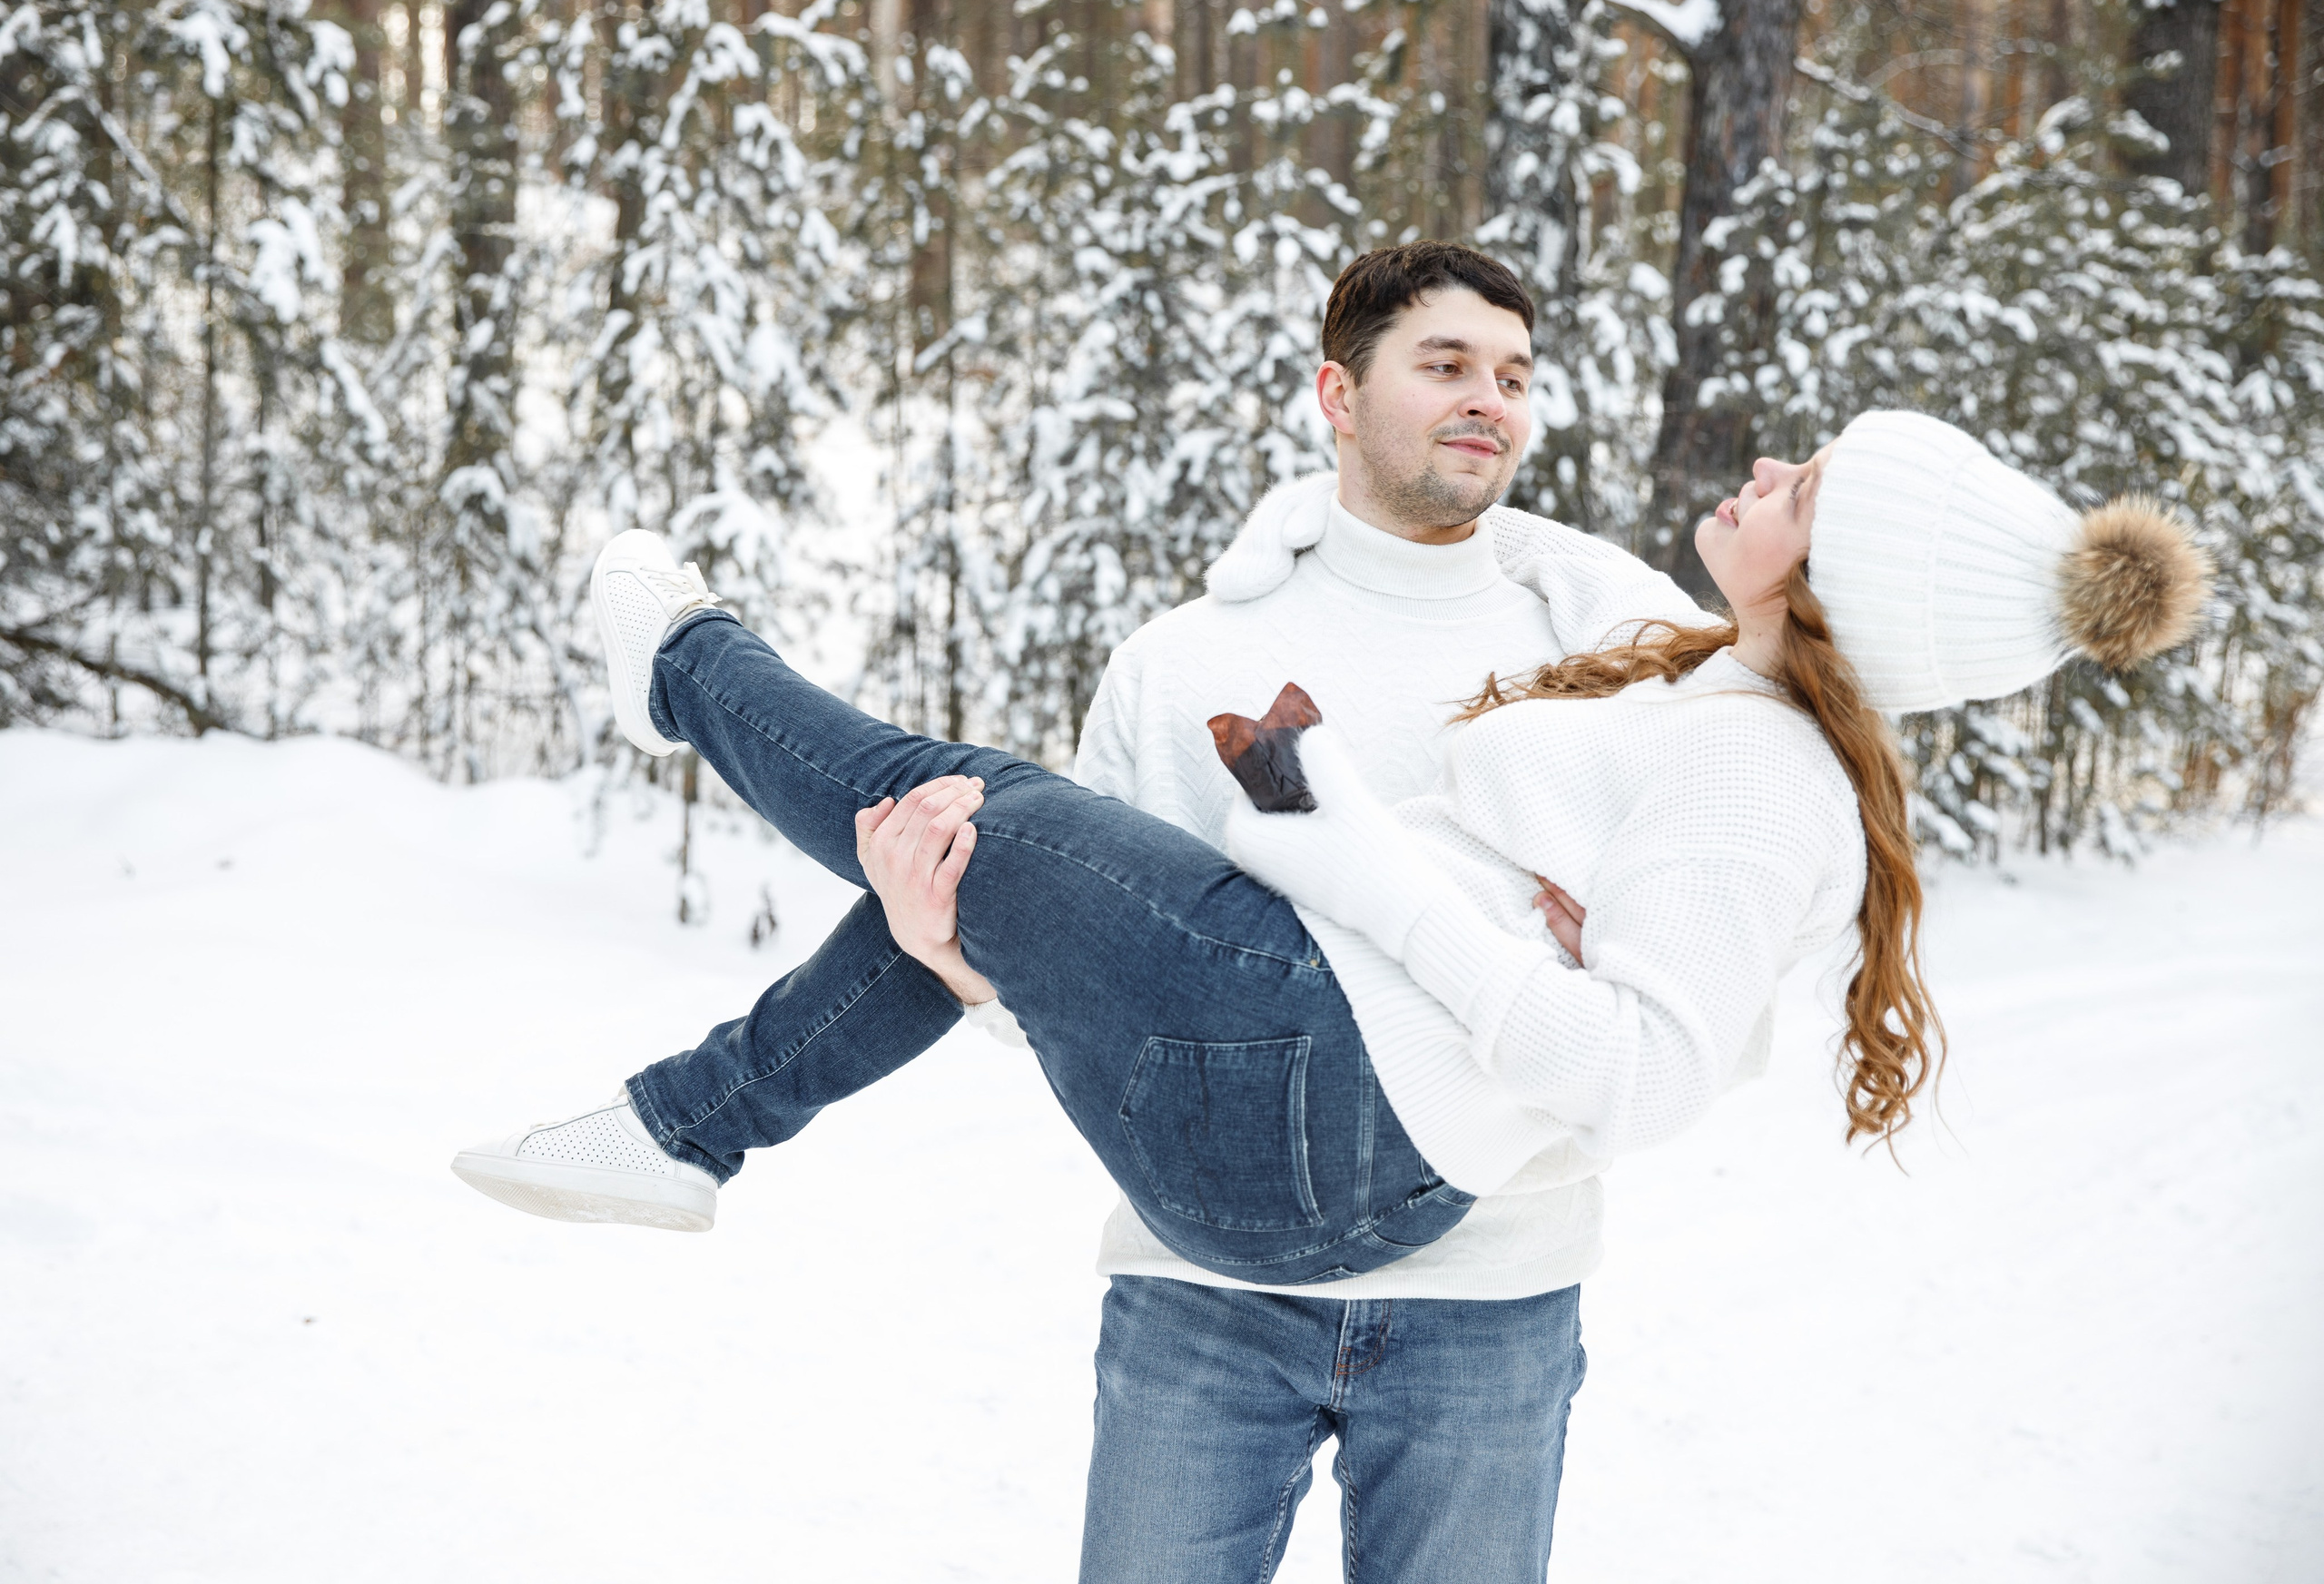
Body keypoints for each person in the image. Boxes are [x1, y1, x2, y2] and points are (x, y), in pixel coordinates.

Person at [455, 294, 2208, 1580]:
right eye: (1448, 364)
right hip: (1247, 1176)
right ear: (1334, 391)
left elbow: (1644, 1063)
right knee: (964, 832)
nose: (1495, 402)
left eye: (1809, 482)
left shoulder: (1721, 725)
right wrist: (966, 950)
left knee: (963, 789)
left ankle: (684, 675)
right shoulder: (1672, 665)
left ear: (1838, 584)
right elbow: (1110, 991)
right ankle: (688, 1114)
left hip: (1381, 1155)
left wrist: (1373, 865)